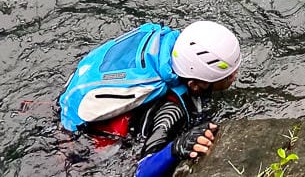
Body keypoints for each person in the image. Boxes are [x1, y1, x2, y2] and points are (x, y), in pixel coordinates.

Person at [58, 20, 241, 177]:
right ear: (195, 85)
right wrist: (177, 147)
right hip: (84, 142)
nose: (235, 76)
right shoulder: (172, 111)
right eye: (227, 77)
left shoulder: (171, 49)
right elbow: (141, 171)